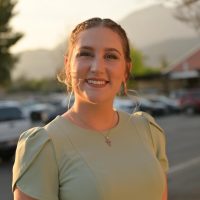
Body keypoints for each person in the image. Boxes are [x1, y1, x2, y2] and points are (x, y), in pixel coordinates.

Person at [13, 17, 169, 200]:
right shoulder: (44, 146)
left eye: (110, 56)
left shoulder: (148, 131)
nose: (97, 67)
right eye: (85, 54)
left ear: (126, 69)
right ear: (68, 64)